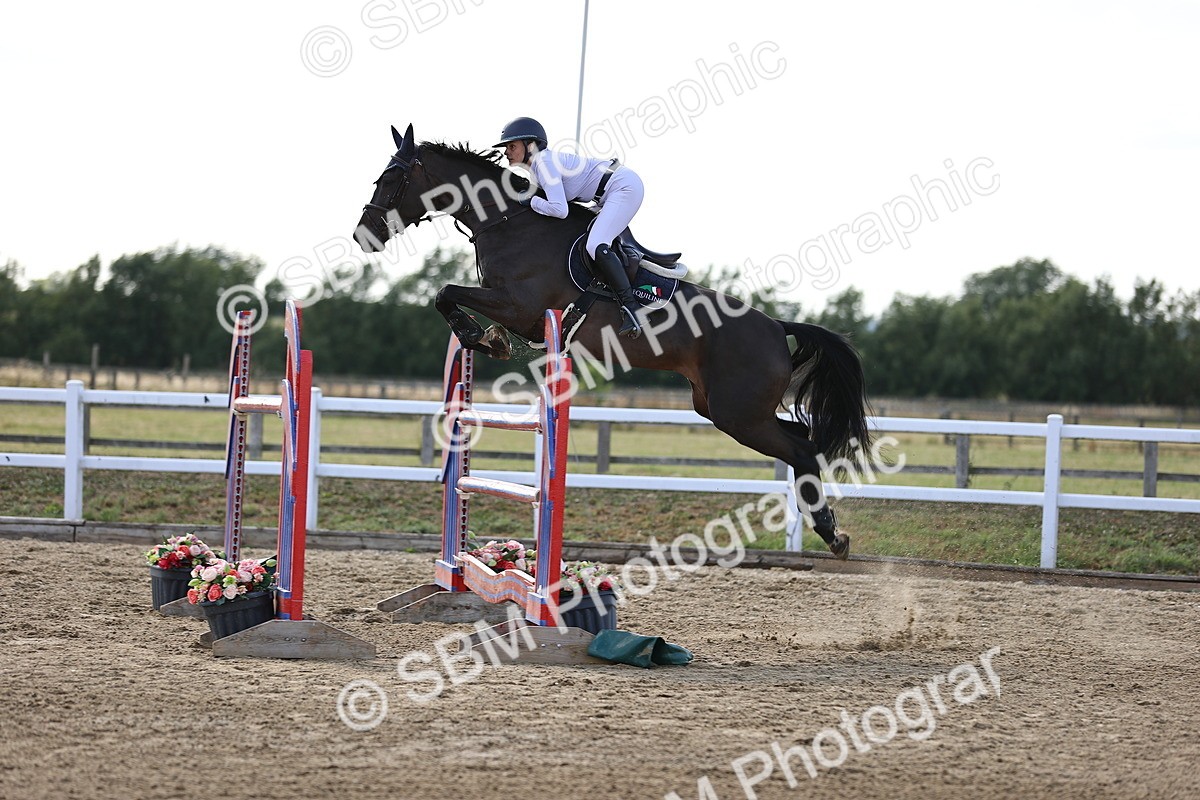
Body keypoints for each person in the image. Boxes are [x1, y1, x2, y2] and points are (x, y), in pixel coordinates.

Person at [495, 116, 643, 339]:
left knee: (595, 244)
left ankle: (632, 309)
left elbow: (559, 210)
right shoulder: (539, 166)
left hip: (623, 187)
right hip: (607, 193)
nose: (506, 152)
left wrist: (530, 201)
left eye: (511, 146)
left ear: (530, 146)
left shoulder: (543, 164)